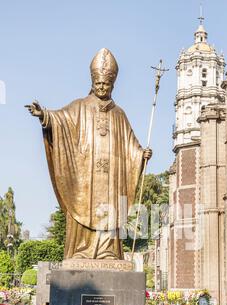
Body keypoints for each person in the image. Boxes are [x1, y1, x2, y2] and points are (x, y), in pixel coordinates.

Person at [26, 48, 152, 260]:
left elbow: (130, 143)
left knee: (109, 212)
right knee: (82, 206)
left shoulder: (119, 114)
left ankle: (108, 252)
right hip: (86, 174)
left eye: (107, 84)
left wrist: (140, 154)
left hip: (111, 179)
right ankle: (81, 251)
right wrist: (44, 115)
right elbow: (61, 120)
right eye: (99, 83)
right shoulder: (80, 106)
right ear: (93, 82)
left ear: (113, 84)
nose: (102, 87)